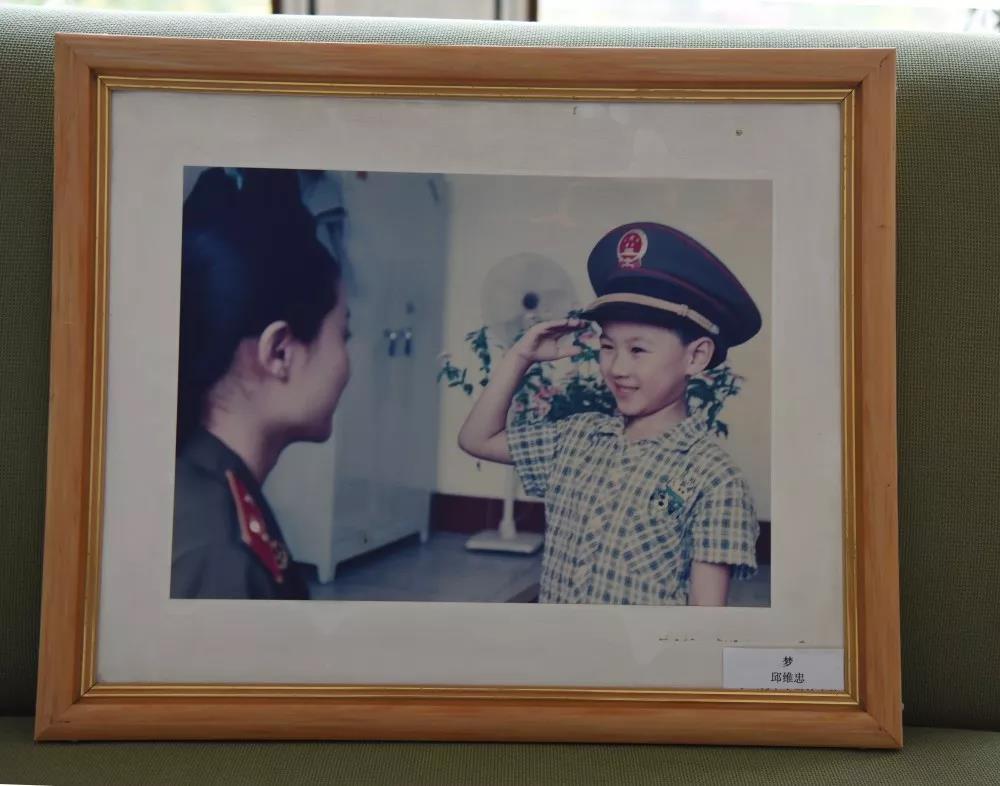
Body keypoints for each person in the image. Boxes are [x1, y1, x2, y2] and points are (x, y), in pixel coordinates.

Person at [458, 222, 761, 606]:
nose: (617, 368)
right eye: (606, 347)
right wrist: (520, 356)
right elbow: (477, 439)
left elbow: (704, 621)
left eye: (638, 350)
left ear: (696, 356)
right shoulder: (576, 437)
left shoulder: (712, 478)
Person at [170, 168, 351, 600]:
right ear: (280, 353)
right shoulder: (222, 558)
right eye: (344, 335)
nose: (347, 361)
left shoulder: (211, 484)